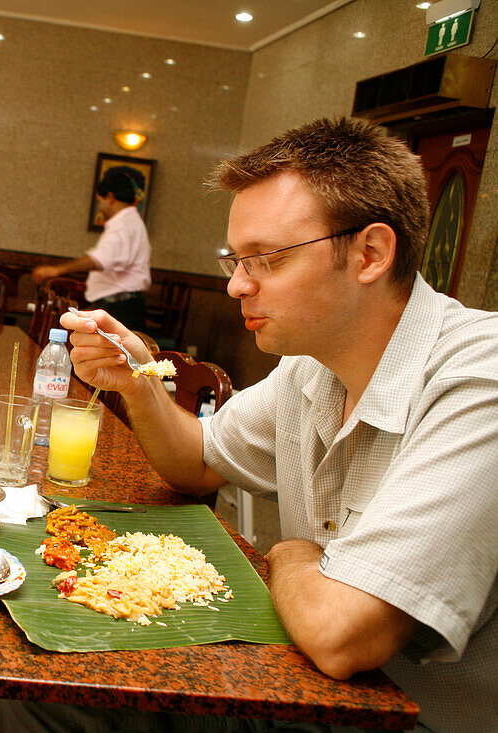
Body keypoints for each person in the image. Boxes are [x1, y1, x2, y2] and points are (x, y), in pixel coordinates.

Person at [27, 117, 496, 732]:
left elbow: (341, 635)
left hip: (409, 717)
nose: (236, 285)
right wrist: (137, 382)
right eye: (235, 260)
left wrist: (293, 556)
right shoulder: (311, 366)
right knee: (37, 686)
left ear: (370, 254)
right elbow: (198, 461)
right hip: (306, 683)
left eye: (267, 260)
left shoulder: (477, 379)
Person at [32, 165, 152, 331]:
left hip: (120, 307)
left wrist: (57, 270)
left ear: (110, 197)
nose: (100, 208)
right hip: (120, 304)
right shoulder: (130, 222)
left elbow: (100, 259)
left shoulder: (124, 224)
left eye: (99, 202)